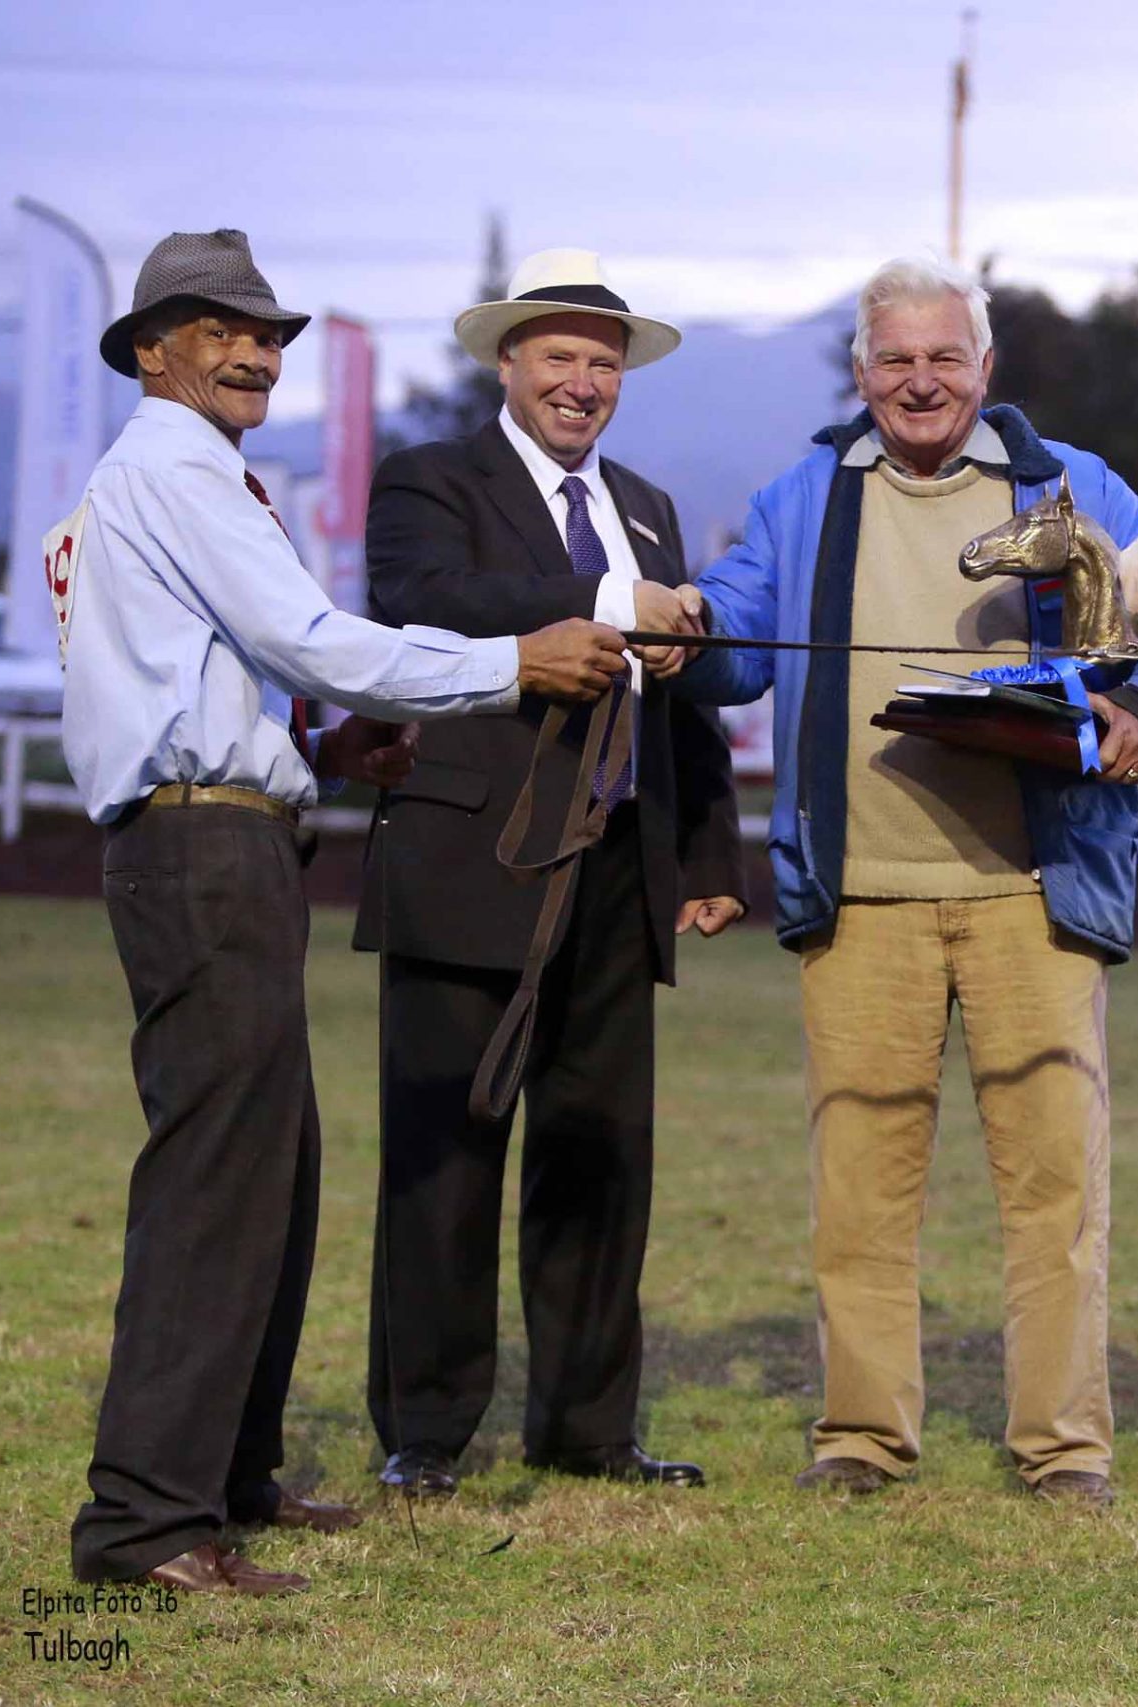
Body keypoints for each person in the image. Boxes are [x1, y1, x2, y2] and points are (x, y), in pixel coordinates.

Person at [61, 229, 629, 1596]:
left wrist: (318, 754)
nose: (258, 350)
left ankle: (229, 1475)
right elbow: (311, 639)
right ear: (153, 350)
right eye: (221, 329)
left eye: (270, 334)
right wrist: (515, 660)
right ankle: (145, 1522)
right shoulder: (175, 467)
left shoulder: (167, 476)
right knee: (216, 1184)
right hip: (201, 858)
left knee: (272, 1172)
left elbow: (185, 676)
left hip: (225, 840)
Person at [679, 257, 1138, 1506]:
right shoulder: (800, 497)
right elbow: (725, 646)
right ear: (862, 373)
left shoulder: (1072, 488)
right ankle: (862, 1439)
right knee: (859, 1188)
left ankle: (1063, 1449)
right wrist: (678, 623)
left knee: (1054, 1192)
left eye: (944, 357)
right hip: (858, 896)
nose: (920, 380)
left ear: (985, 370)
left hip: (1035, 901)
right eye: (895, 359)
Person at [356, 249, 745, 1499]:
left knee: (600, 1157)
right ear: (507, 364)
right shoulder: (427, 484)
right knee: (444, 1164)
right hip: (465, 867)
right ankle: (427, 1431)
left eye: (603, 362)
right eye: (561, 358)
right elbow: (422, 599)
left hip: (616, 881)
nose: (583, 382)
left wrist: (705, 851)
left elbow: (674, 692)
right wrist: (609, 596)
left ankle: (587, 1429)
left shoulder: (644, 507)